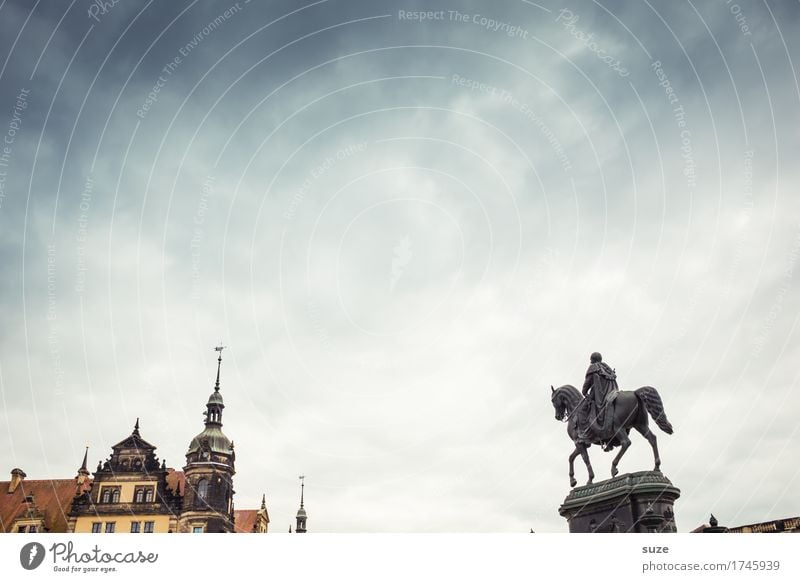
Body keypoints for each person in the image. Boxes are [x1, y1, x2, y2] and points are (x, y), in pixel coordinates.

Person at [577, 352, 619, 446]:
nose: (590, 361)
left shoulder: (593, 367)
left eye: (591, 359)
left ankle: (585, 434)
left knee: (582, 410)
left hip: (599, 396)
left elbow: (587, 382)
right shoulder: (607, 368)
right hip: (611, 394)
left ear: (593, 359)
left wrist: (584, 392)